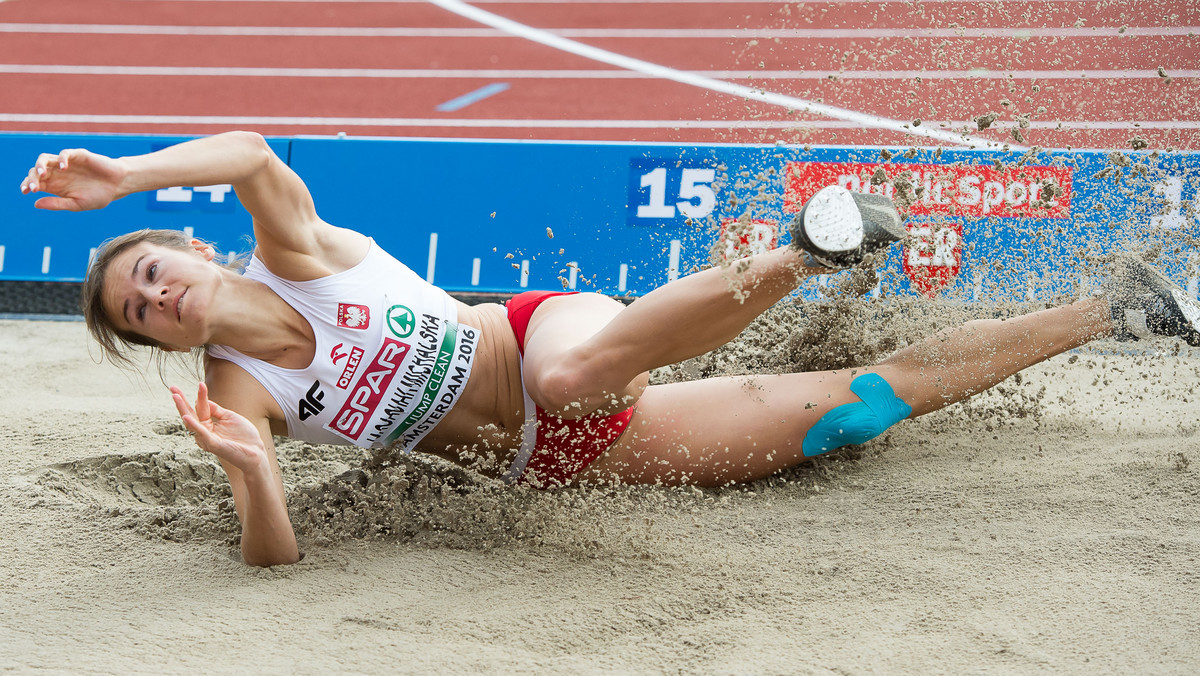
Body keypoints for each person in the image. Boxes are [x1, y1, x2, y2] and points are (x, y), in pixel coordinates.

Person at [19, 131, 1200, 566]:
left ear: (192, 248)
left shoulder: (295, 246)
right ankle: (1118, 311)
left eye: (152, 268)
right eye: (136, 311)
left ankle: (803, 254)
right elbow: (271, 561)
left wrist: (120, 172)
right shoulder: (244, 389)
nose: (155, 296)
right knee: (849, 414)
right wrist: (256, 474)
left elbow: (252, 149)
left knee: (568, 370)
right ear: (150, 344)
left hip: (548, 338)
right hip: (572, 458)